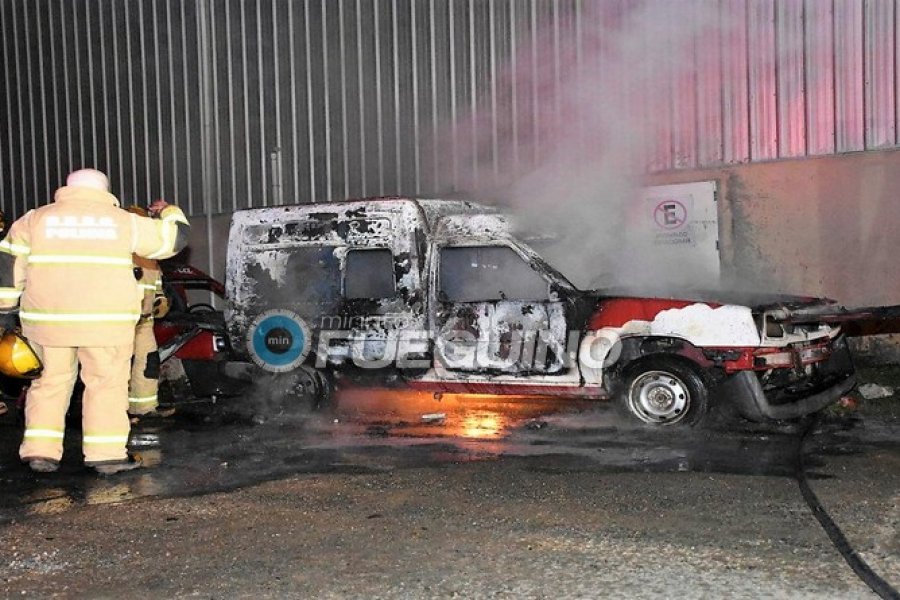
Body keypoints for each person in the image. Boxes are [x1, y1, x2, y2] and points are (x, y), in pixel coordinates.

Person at [0, 169, 190, 474]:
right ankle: (106, 455)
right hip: (106, 325)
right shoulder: (123, 221)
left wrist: (6, 310)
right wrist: (169, 211)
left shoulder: (35, 220)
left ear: (66, 188)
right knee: (106, 385)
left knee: (48, 384)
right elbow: (174, 240)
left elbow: (9, 265)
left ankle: (40, 452)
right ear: (104, 190)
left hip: (48, 324)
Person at [126, 204, 174, 421]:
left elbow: (157, 286)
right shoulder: (119, 254)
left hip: (144, 322)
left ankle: (144, 408)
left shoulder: (150, 257)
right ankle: (118, 413)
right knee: (118, 368)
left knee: (148, 363)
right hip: (122, 322)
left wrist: (160, 300)